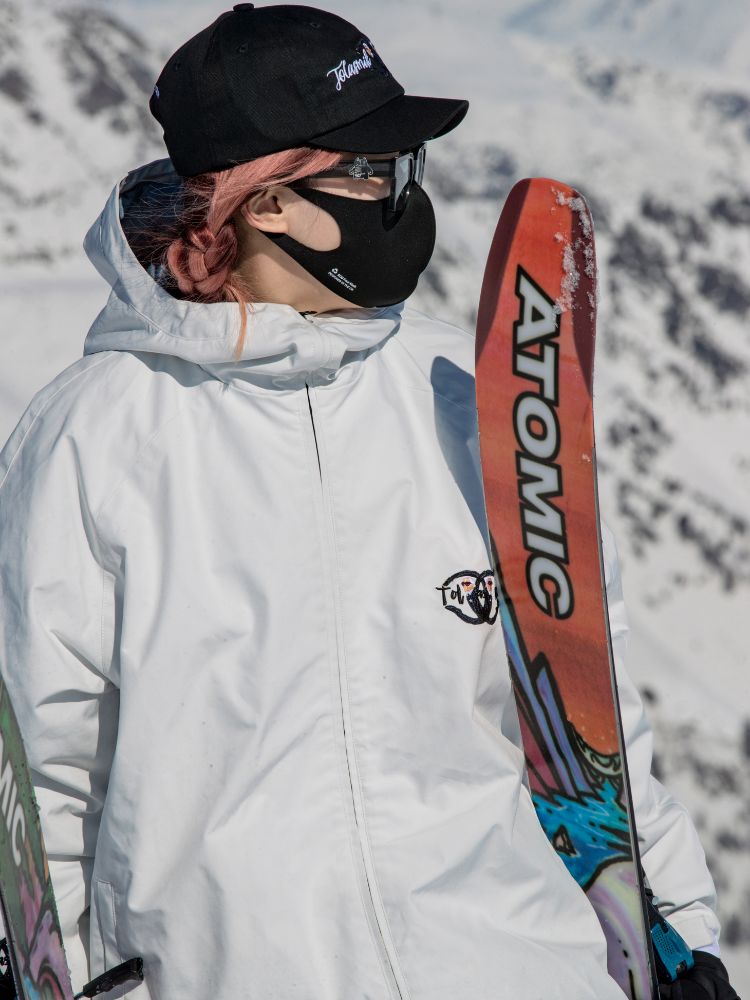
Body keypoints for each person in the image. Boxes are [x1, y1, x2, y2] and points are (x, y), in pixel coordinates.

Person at [0, 4, 739, 999]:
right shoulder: (94, 440)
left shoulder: (466, 401)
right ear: (266, 201)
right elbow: (40, 784)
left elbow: (587, 718)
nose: (403, 197)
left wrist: (679, 933)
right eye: (370, 171)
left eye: (406, 167)